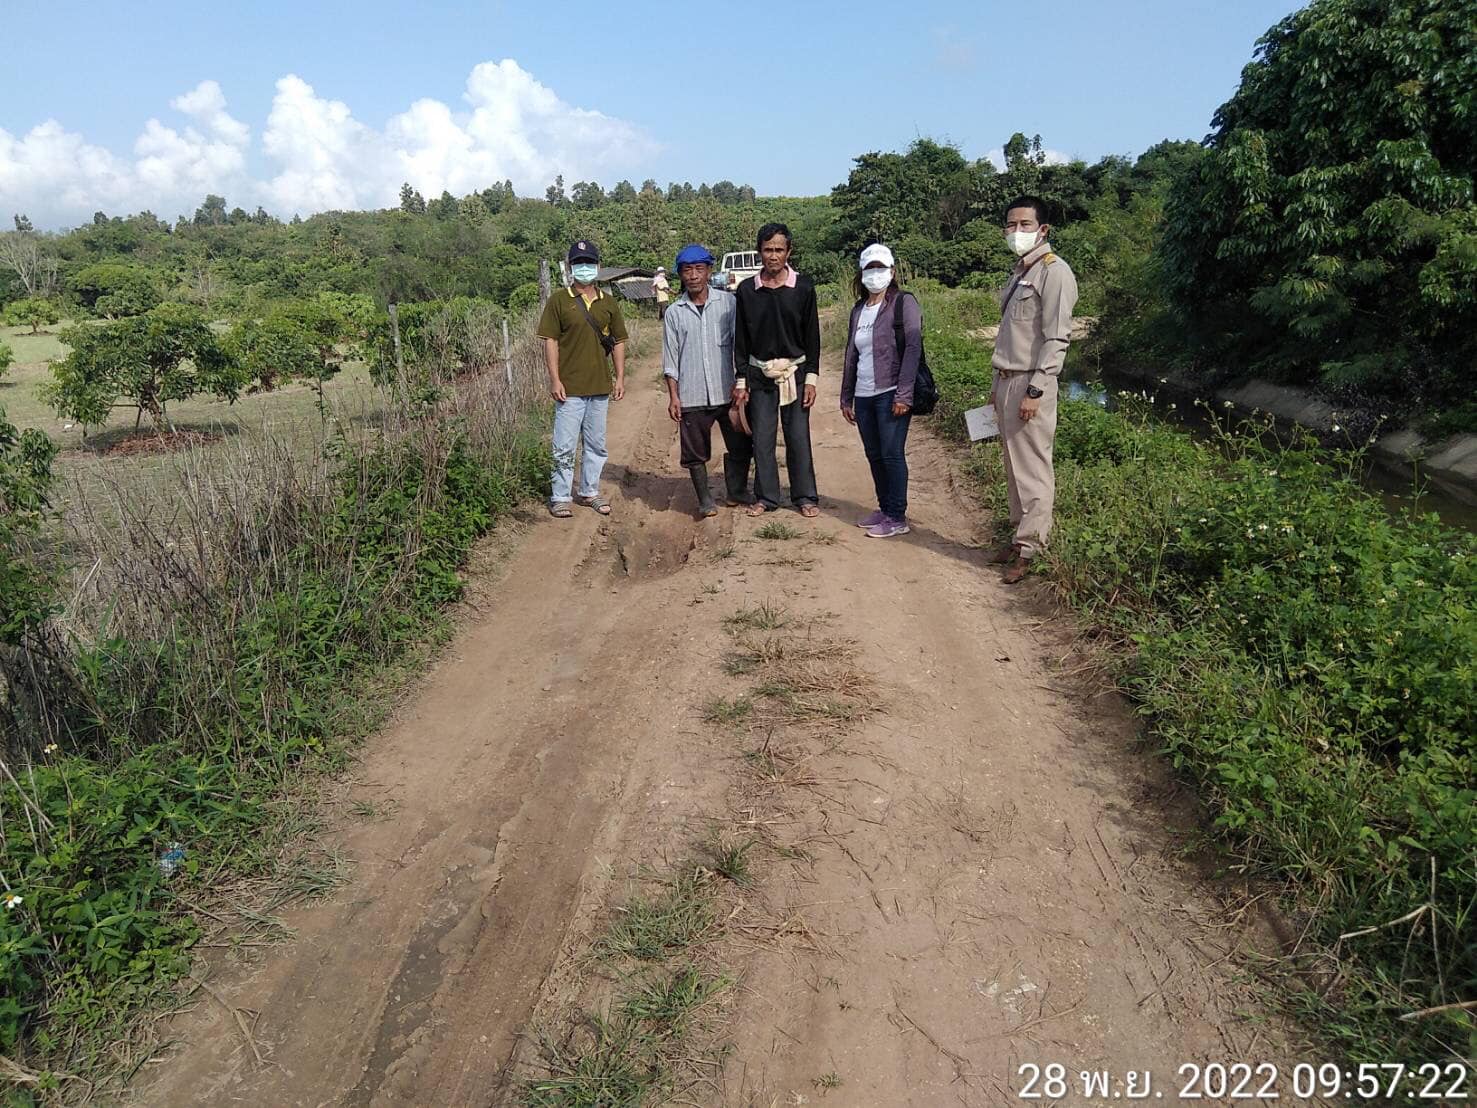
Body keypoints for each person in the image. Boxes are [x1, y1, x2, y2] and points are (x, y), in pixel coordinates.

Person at [989, 196, 1078, 583]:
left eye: (1025, 225)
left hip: (1030, 382)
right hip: (1007, 378)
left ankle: (1032, 548)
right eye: (1011, 224)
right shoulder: (1019, 271)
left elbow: (1057, 337)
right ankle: (1019, 536)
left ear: (1043, 230)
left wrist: (1037, 390)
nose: (1016, 232)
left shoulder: (1054, 272)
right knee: (1013, 464)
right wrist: (998, 386)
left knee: (1033, 469)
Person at [733, 223, 821, 517]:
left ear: (789, 252)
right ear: (759, 252)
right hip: (759, 374)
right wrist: (742, 380)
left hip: (794, 373)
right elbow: (741, 339)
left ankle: (805, 496)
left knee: (797, 436)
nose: (773, 256)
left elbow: (812, 337)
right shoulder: (747, 291)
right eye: (768, 249)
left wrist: (811, 378)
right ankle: (767, 497)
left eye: (779, 250)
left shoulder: (804, 287)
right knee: (763, 437)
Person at [538, 239, 628, 517]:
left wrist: (620, 377)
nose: (584, 268)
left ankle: (590, 492)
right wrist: (555, 379)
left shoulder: (608, 303)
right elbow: (550, 341)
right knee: (564, 445)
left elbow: (619, 342)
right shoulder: (559, 300)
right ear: (570, 267)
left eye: (588, 263)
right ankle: (560, 496)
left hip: (599, 386)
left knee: (596, 445)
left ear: (598, 267)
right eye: (578, 263)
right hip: (570, 388)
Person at [662, 243, 753, 517]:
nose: (693, 276)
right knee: (694, 452)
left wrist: (742, 383)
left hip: (728, 392)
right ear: (680, 275)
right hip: (692, 394)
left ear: (709, 271)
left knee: (740, 443)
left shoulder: (729, 303)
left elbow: (741, 347)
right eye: (687, 270)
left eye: (698, 269)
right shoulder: (674, 312)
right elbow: (670, 358)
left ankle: (736, 491)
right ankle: (705, 500)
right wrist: (674, 396)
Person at [840, 243, 922, 538]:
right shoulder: (858, 310)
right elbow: (851, 354)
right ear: (861, 273)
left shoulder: (904, 303)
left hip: (891, 391)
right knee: (874, 454)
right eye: (870, 268)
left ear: (892, 271)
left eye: (881, 268)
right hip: (864, 395)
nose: (876, 274)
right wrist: (846, 396)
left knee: (891, 453)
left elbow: (913, 349)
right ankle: (884, 508)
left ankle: (897, 516)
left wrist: (904, 394)